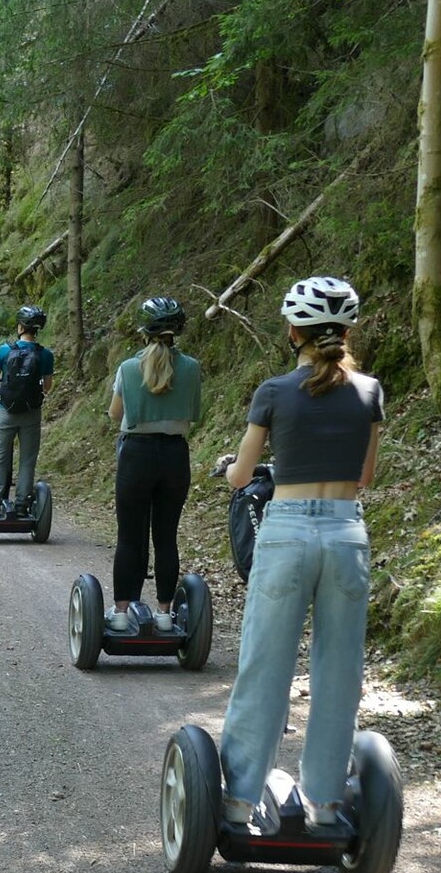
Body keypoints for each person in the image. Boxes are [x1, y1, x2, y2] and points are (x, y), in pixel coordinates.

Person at [218, 276, 383, 829]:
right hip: (345, 535)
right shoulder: (369, 392)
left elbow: (243, 475)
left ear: (294, 331)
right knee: (339, 672)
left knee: (265, 665)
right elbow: (364, 475)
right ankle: (326, 803)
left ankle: (239, 801)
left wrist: (234, 471)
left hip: (287, 533)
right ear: (346, 331)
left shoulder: (273, 392)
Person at [106, 297, 203, 632]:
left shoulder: (128, 368)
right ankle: (164, 613)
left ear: (143, 331)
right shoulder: (191, 367)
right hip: (175, 456)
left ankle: (121, 613)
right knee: (166, 537)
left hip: (136, 454)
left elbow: (116, 414)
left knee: (129, 537)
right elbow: (195, 413)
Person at [0, 305, 55, 514]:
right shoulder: (46, 355)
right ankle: (22, 505)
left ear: (21, 326)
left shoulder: (5, 350)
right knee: (27, 459)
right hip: (31, 413)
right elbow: (47, 387)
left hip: (7, 411)